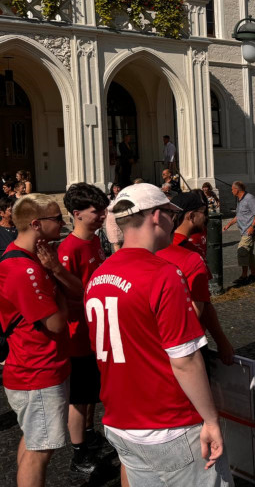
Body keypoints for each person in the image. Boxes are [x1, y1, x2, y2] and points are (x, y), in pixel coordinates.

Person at [86, 183, 232, 486]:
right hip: (169, 423)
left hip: (120, 421)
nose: (174, 220)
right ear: (156, 216)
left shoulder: (98, 276)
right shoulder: (163, 273)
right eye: (170, 213)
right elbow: (185, 360)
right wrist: (211, 419)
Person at [0, 194, 70, 487]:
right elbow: (56, 323)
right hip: (37, 370)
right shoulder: (24, 268)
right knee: (39, 451)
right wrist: (62, 297)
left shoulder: (25, 258)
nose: (62, 223)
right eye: (56, 218)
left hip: (35, 367)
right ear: (36, 224)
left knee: (33, 442)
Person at [45, 183, 110, 474]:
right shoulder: (69, 248)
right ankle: (79, 452)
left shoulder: (95, 240)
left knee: (91, 393)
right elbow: (70, 291)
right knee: (79, 397)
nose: (102, 216)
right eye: (97, 211)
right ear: (77, 214)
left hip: (95, 330)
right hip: (77, 335)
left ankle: (88, 432)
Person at [158, 191, 235, 365]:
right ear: (192, 216)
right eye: (204, 212)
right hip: (188, 343)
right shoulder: (189, 255)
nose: (208, 217)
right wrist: (222, 342)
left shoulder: (158, 247)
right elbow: (203, 305)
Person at [223, 181, 255, 286]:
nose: (231, 191)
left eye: (232, 189)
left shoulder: (250, 198)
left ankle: (244, 276)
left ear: (237, 190)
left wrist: (252, 227)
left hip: (250, 231)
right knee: (249, 253)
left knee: (242, 250)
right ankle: (253, 274)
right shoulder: (239, 200)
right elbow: (239, 216)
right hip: (244, 230)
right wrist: (229, 224)